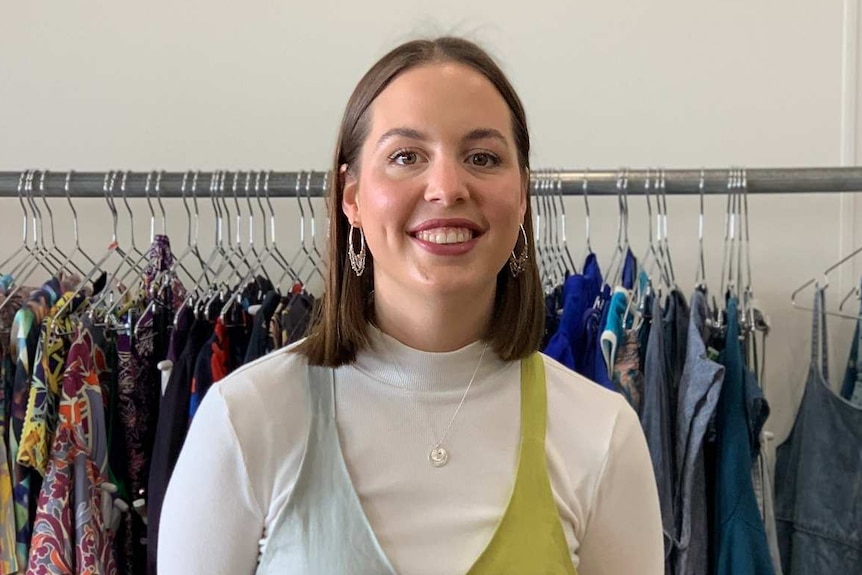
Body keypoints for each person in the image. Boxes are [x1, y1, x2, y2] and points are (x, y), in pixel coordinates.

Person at [158, 36, 663, 575]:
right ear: (351, 196)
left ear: (521, 195)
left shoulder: (602, 434)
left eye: (482, 157)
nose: (447, 187)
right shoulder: (245, 421)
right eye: (406, 156)